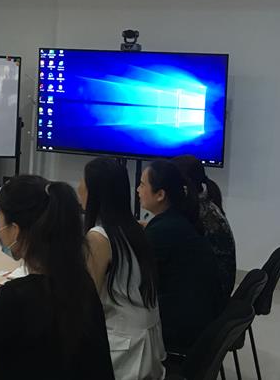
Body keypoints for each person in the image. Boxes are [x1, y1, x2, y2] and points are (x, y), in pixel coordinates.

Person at [0, 175, 114, 379]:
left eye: (0, 221)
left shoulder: (16, 296)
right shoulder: (80, 282)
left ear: (15, 230)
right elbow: (36, 317)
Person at [79, 157, 165, 380]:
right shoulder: (134, 228)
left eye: (83, 183)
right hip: (145, 349)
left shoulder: (99, 237)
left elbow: (86, 303)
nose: (78, 188)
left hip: (121, 355)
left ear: (95, 192)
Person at [137, 160, 224, 355]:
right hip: (200, 321)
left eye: (142, 185)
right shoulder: (178, 220)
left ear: (160, 195)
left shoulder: (162, 232)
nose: (137, 190)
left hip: (180, 331)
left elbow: (135, 282)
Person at [171, 154, 237, 298]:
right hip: (217, 289)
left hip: (206, 295)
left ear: (183, 187)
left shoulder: (196, 213)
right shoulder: (207, 206)